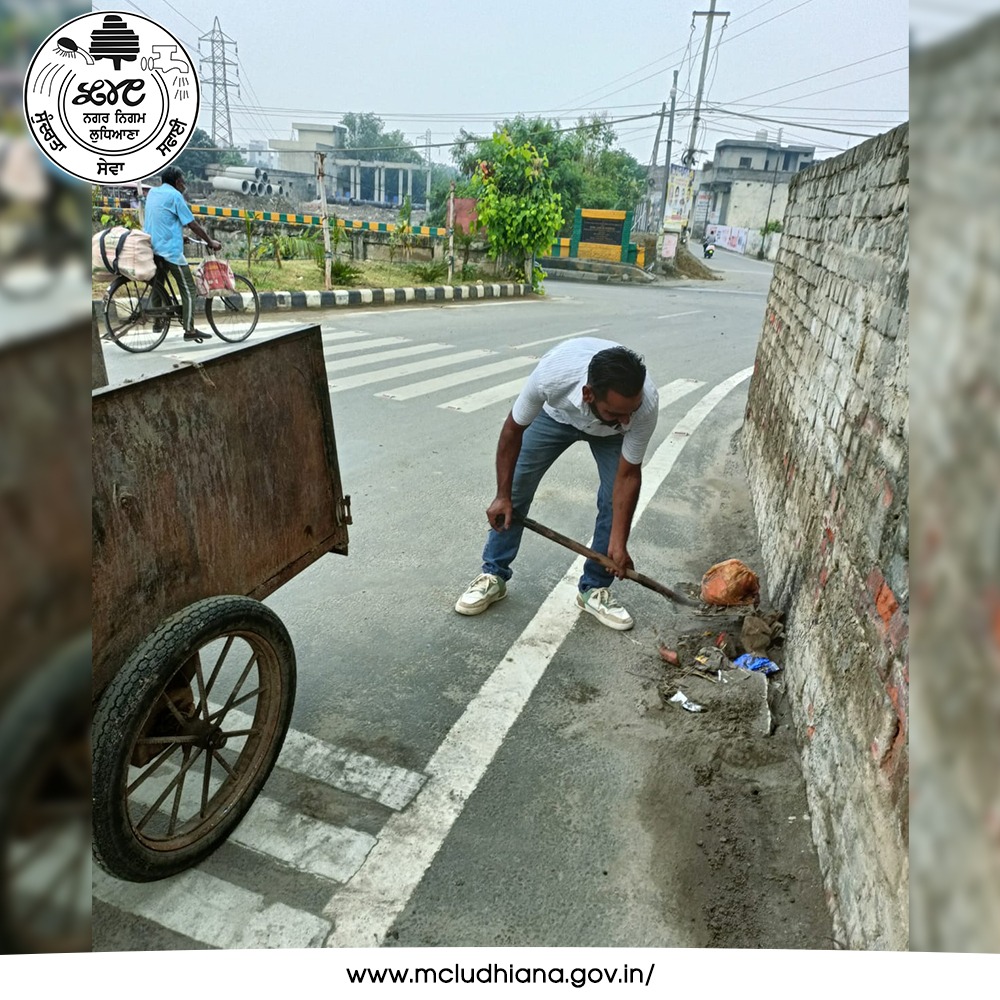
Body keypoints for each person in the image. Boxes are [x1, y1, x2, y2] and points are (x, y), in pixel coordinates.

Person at [455, 339, 659, 631]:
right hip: (556, 417)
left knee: (611, 500)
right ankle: (493, 575)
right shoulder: (553, 375)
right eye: (617, 413)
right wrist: (502, 495)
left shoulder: (643, 406)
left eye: (632, 411)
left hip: (609, 437)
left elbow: (627, 476)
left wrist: (618, 544)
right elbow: (512, 431)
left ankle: (594, 589)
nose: (627, 419)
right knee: (516, 488)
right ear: (588, 394)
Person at [143, 166, 221, 342]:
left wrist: (180, 235)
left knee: (158, 285)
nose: (184, 183)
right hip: (169, 251)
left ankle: (158, 322)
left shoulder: (153, 193)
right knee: (189, 288)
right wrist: (210, 242)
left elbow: (162, 219)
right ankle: (190, 329)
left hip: (152, 247)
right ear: (177, 181)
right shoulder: (176, 196)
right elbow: (192, 224)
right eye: (183, 180)